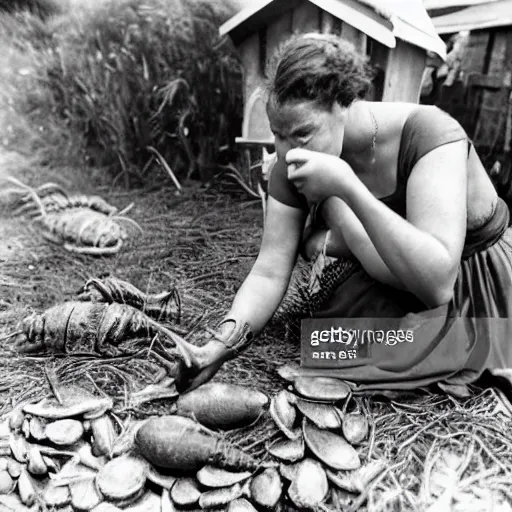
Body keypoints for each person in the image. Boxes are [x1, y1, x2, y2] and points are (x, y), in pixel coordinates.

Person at [175, 33, 512, 394]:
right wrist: (219, 347)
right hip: (391, 276)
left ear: (346, 102)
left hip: (474, 282)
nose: (287, 151)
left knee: (414, 354)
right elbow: (270, 270)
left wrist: (346, 188)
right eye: (277, 134)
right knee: (323, 343)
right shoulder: (292, 158)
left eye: (302, 134)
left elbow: (437, 284)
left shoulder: (429, 133)